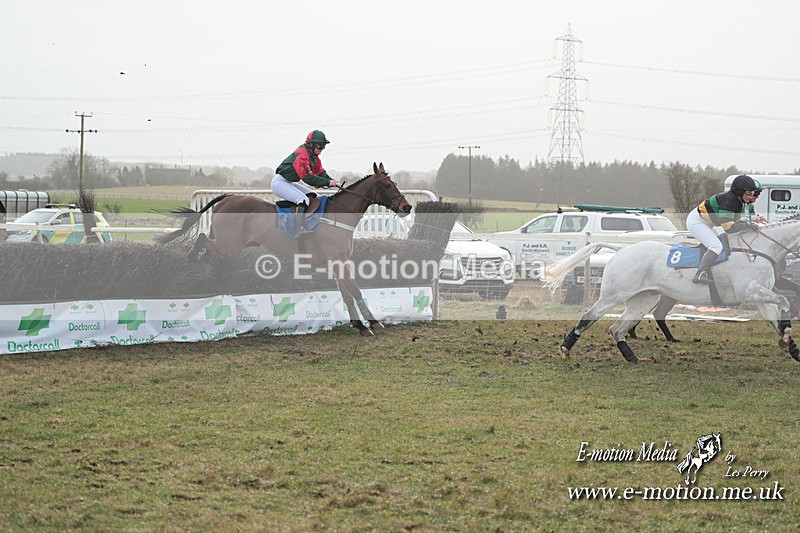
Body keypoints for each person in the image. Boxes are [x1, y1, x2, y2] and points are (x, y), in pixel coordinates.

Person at [685, 174, 768, 285]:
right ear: (739, 191)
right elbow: (728, 227)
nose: (751, 197)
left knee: (726, 242)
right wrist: (747, 225)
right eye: (749, 193)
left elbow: (736, 220)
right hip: (697, 222)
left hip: (710, 222)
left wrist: (751, 222)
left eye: (752, 193)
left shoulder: (740, 201)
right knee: (716, 246)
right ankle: (700, 273)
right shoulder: (730, 201)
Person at [273, 130, 341, 234]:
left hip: (289, 182)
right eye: (319, 146)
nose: (321, 149)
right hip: (279, 183)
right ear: (311, 144)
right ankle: (299, 228)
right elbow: (308, 178)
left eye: (323, 147)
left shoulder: (314, 157)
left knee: (315, 196)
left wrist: (334, 182)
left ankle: (311, 222)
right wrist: (328, 183)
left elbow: (320, 172)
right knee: (303, 200)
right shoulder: (302, 155)